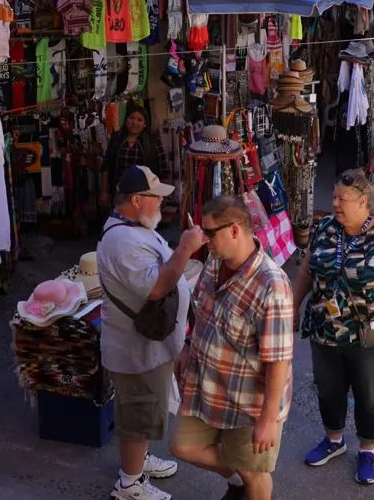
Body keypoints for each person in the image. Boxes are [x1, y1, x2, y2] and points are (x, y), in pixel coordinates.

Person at [294, 169, 374, 486]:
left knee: (370, 395)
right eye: (334, 196)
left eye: (343, 199)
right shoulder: (324, 227)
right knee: (328, 389)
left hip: (373, 336)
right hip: (326, 329)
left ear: (363, 201)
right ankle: (334, 440)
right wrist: (294, 308)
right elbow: (307, 273)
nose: (335, 203)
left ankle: (368, 449)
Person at [170, 196, 294, 500]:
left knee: (256, 474)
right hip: (207, 388)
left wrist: (267, 420)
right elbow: (200, 312)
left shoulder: (272, 285)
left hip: (248, 402)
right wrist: (187, 345)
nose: (204, 240)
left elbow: (278, 360)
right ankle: (239, 474)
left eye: (210, 233)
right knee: (183, 447)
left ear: (236, 230)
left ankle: (245, 476)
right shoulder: (215, 262)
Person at [97, 166, 205, 500]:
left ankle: (138, 460)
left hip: (146, 346)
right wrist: (186, 248)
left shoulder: (133, 228)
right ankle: (129, 484)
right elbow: (156, 288)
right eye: (155, 197)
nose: (162, 202)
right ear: (135, 200)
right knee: (138, 413)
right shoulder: (122, 241)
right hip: (136, 349)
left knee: (144, 410)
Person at [102, 106, 167, 205]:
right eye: (131, 118)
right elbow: (106, 166)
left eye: (140, 120)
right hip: (119, 193)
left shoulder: (153, 141)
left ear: (145, 124)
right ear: (126, 120)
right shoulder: (116, 139)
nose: (135, 123)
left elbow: (162, 169)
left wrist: (160, 195)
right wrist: (104, 192)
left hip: (145, 195)